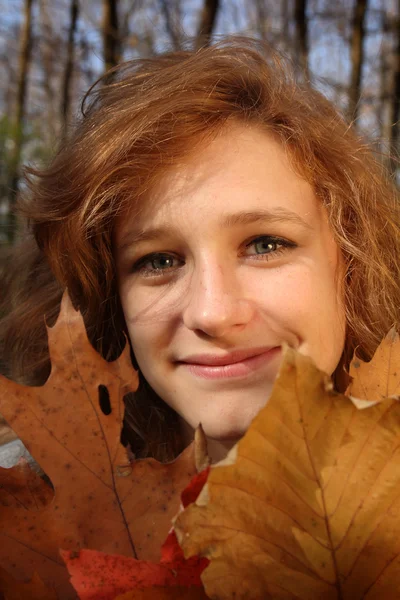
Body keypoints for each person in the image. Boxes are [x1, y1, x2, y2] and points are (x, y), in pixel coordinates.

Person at [1, 37, 399, 464]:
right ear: (109, 297)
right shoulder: (20, 503)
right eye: (159, 261)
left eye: (265, 245)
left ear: (352, 262)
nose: (213, 313)